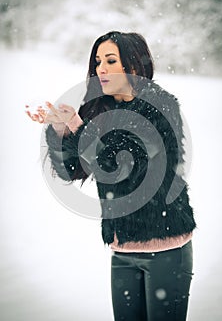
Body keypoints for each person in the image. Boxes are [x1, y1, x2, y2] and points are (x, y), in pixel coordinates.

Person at [26, 31, 196, 321]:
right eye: (97, 62)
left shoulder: (160, 107)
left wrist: (79, 127)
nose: (100, 69)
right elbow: (72, 168)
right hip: (122, 250)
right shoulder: (100, 108)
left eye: (110, 60)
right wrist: (61, 129)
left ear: (132, 66)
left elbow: (123, 168)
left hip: (166, 249)